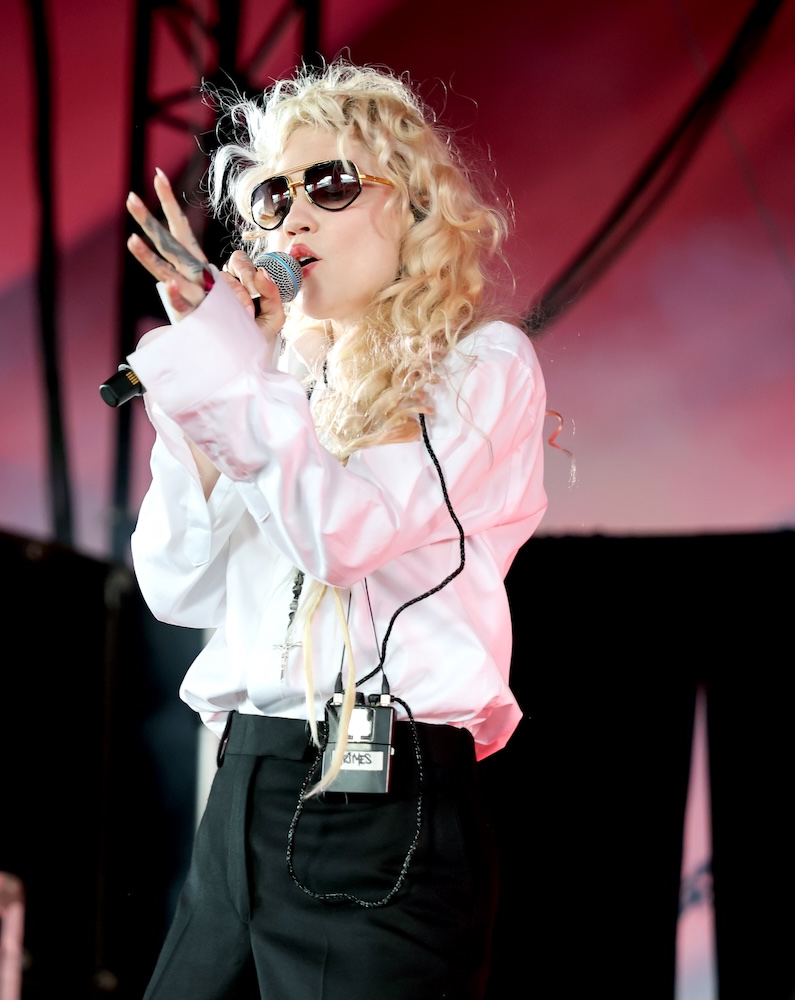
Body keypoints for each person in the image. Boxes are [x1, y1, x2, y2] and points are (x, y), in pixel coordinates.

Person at [121, 59, 548, 1000]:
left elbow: (344, 536)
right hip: (245, 786)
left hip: (381, 809)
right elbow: (175, 583)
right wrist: (204, 399)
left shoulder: (480, 366)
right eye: (273, 197)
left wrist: (240, 382)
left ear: (414, 204)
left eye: (331, 184)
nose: (294, 219)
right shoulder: (279, 383)